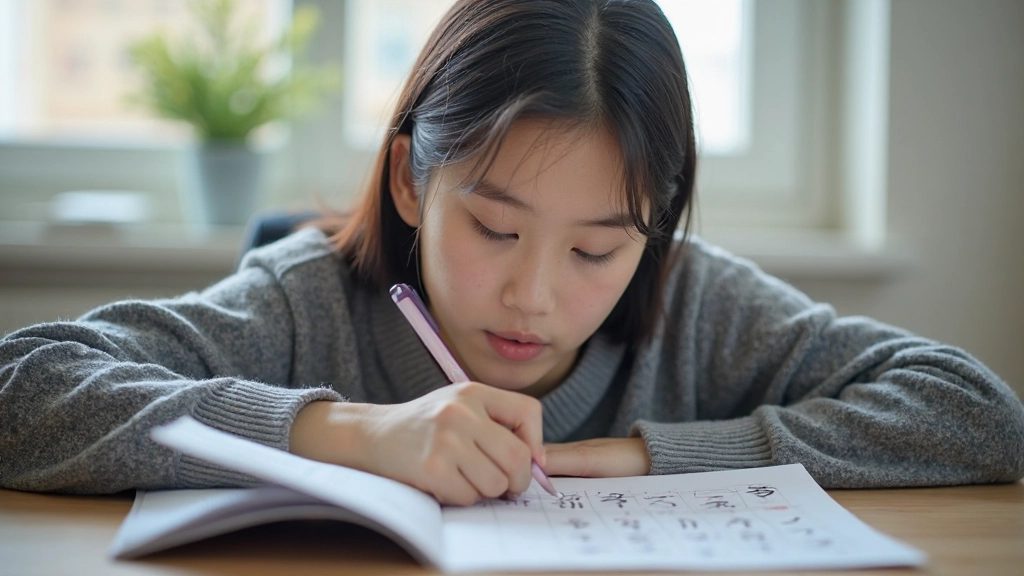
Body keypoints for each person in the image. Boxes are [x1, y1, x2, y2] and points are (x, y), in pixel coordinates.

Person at [1, 0, 1022, 506]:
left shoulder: (699, 309)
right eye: (494, 229)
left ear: (653, 232)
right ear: (409, 180)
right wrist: (351, 436)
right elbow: (23, 382)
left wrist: (642, 461)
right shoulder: (304, 302)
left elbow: (979, 415)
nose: (533, 294)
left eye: (597, 248)